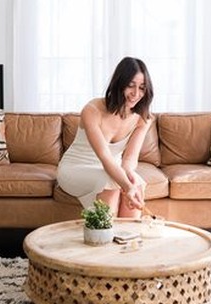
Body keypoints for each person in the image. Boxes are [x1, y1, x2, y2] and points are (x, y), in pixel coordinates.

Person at [57, 57, 154, 218]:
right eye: (131, 86)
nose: (136, 94)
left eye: (142, 88)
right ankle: (105, 236)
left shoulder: (143, 118)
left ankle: (128, 239)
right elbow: (104, 156)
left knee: (136, 183)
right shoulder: (93, 110)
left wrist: (129, 176)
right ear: (119, 83)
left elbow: (129, 159)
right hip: (76, 169)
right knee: (113, 182)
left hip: (110, 171)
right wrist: (124, 184)